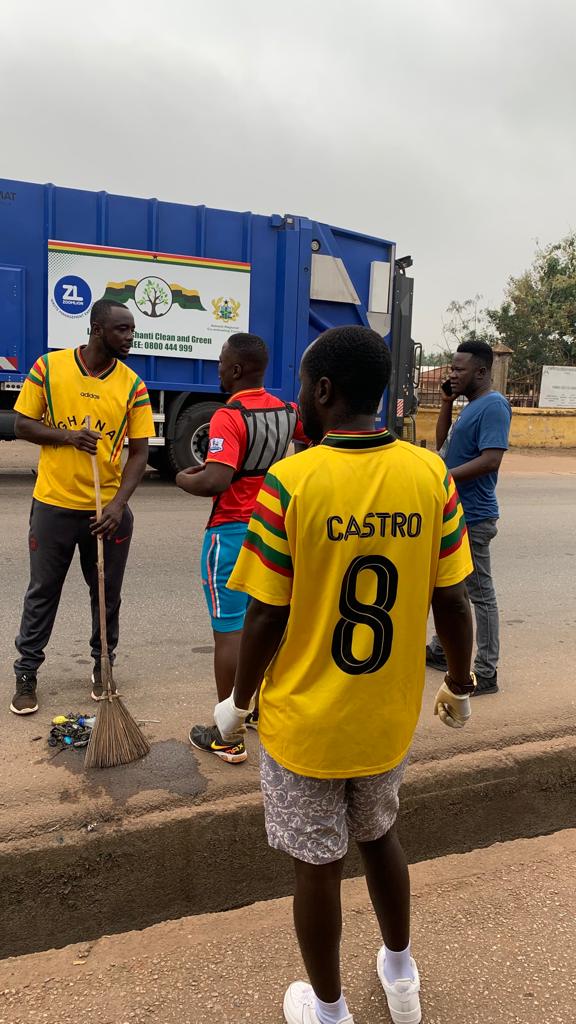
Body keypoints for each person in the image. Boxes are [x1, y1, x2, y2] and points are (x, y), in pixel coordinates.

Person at [212, 325, 475, 1024]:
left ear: (322, 391)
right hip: (384, 719)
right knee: (380, 836)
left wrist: (237, 703)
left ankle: (327, 1011)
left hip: (306, 724)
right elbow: (451, 598)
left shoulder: (291, 482)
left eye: (302, 385)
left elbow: (264, 617)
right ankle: (400, 974)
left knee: (317, 865)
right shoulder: (430, 474)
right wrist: (459, 681)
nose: (298, 396)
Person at [10, 299, 154, 715]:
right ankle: (27, 672)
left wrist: (117, 505)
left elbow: (140, 454)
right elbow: (22, 424)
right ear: (96, 329)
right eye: (122, 329)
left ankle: (102, 667)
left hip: (104, 511)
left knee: (106, 596)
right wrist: (69, 437)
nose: (130, 337)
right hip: (54, 505)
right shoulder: (48, 368)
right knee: (42, 593)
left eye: (131, 330)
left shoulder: (132, 385)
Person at [176, 332, 306, 764]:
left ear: (234, 370)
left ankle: (227, 737)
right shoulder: (288, 411)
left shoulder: (228, 416)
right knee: (267, 623)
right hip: (276, 530)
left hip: (231, 533)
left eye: (219, 364)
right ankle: (257, 710)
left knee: (229, 632)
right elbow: (316, 441)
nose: (217, 371)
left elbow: (215, 480)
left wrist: (182, 477)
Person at [425, 339, 511, 695]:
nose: (452, 374)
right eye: (451, 369)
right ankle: (443, 651)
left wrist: (443, 478)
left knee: (479, 594)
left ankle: (486, 671)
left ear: (481, 372)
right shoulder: (472, 405)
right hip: (456, 512)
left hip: (474, 516)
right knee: (450, 585)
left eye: (459, 370)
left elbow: (491, 460)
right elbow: (444, 445)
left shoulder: (493, 405)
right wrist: (446, 402)